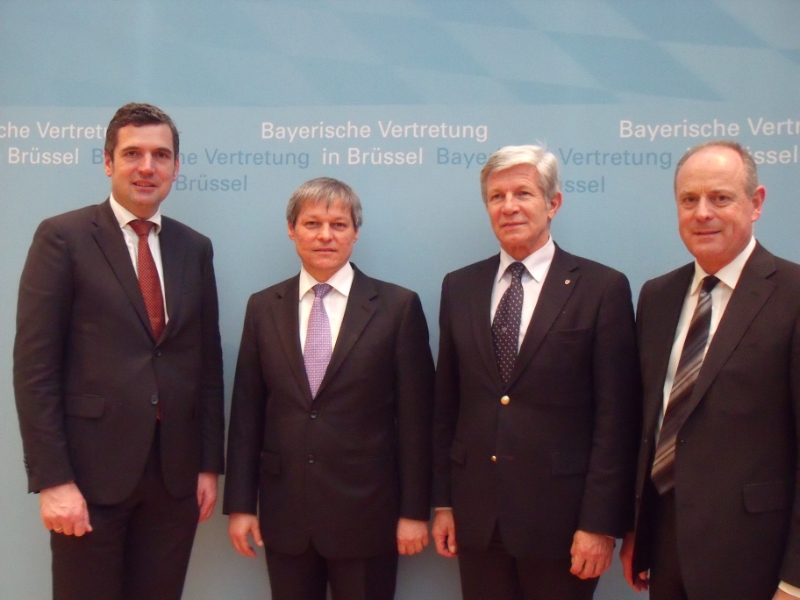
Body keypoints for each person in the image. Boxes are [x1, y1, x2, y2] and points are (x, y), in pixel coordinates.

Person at [13, 102, 225, 600]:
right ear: (108, 162)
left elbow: (207, 364)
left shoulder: (194, 248)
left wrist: (207, 464)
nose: (147, 167)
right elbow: (35, 368)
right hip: (88, 478)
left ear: (176, 166)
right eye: (133, 153)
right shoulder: (63, 238)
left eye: (161, 155)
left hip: (174, 479)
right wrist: (53, 480)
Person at [431, 144, 640, 600]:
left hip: (563, 524)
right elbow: (447, 403)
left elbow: (616, 419)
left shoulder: (601, 288)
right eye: (496, 196)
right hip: (478, 518)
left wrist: (599, 523)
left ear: (553, 203)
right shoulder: (460, 286)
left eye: (522, 193)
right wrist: (443, 502)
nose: (508, 206)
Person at [223, 177, 435, 600]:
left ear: (355, 233)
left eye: (338, 225)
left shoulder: (397, 308)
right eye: (312, 223)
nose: (325, 235)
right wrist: (242, 505)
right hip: (285, 516)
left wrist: (414, 512)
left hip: (368, 516)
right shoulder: (263, 307)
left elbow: (417, 421)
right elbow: (248, 413)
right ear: (291, 229)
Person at [620, 140, 800, 600]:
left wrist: (795, 580)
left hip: (757, 557)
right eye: (689, 199)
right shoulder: (657, 296)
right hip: (666, 548)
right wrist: (639, 528)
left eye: (720, 198)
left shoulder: (794, 295)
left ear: (756, 203)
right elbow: (651, 423)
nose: (702, 213)